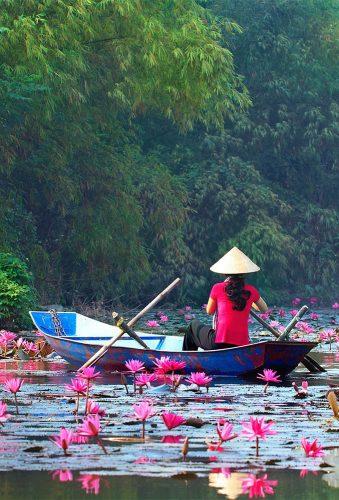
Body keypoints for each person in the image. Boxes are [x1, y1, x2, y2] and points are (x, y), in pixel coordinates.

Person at [182, 246, 268, 351]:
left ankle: (189, 359)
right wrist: (250, 300)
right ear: (244, 273)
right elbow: (264, 309)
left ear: (224, 272)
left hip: (219, 343)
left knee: (192, 326)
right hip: (242, 345)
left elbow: (209, 311)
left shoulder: (217, 287)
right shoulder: (251, 291)